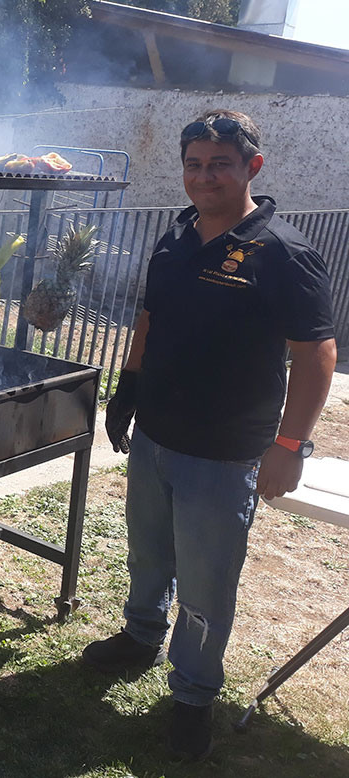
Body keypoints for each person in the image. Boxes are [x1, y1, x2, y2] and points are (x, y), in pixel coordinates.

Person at [82, 110, 338, 762]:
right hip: (156, 437)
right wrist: (128, 388)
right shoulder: (174, 238)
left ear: (252, 167)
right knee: (148, 554)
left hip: (223, 455)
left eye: (219, 164)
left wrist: (289, 447)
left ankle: (193, 696)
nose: (204, 177)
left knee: (205, 584)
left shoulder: (283, 253)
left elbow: (316, 354)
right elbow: (150, 316)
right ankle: (141, 636)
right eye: (194, 164)